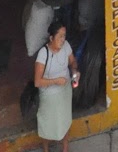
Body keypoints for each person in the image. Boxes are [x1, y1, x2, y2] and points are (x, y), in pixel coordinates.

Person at [34, 21, 78, 152]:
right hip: (49, 96)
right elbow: (37, 82)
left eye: (64, 36)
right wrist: (55, 81)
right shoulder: (43, 54)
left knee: (65, 119)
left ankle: (65, 148)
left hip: (65, 91)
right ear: (51, 38)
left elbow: (72, 61)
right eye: (59, 36)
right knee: (47, 124)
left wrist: (75, 71)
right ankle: (46, 149)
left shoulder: (66, 46)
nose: (62, 39)